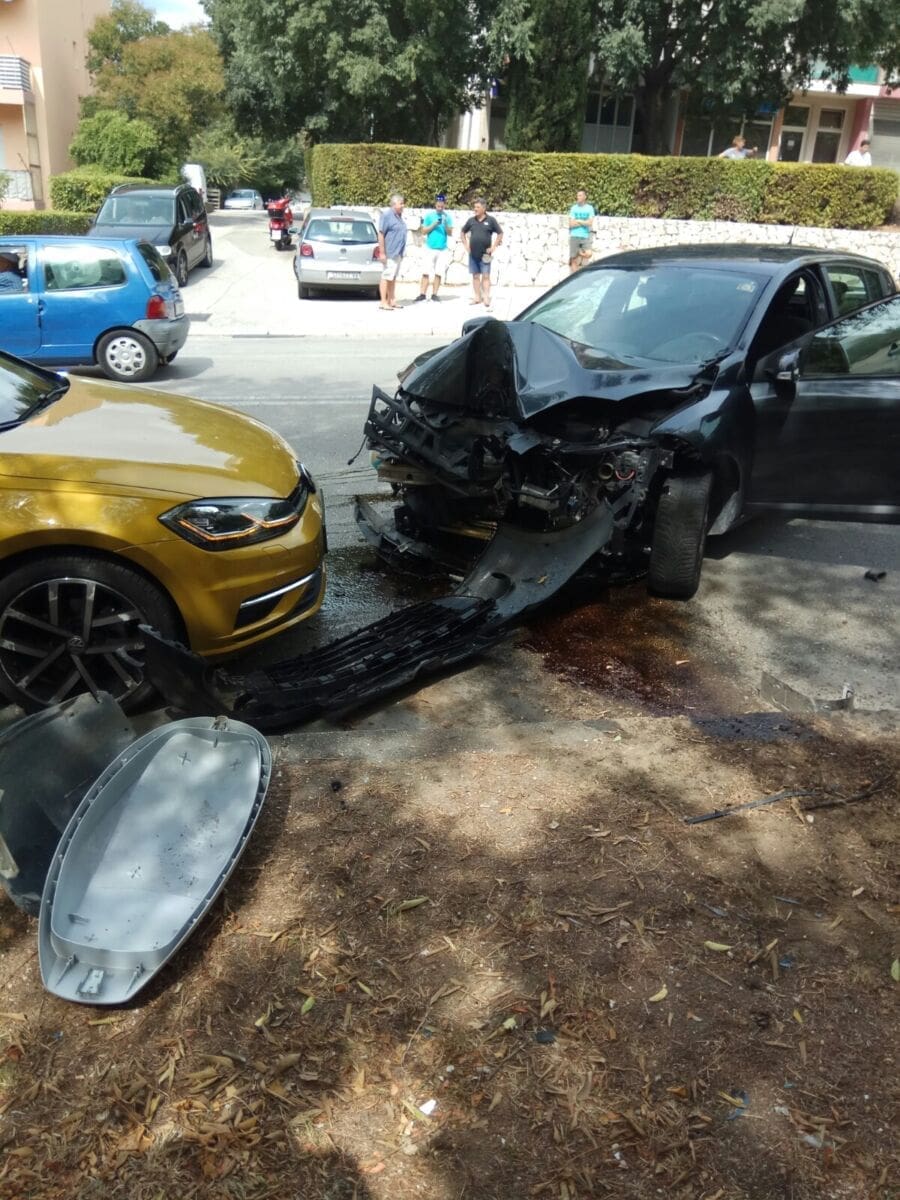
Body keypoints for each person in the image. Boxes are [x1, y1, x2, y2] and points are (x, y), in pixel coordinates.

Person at [460, 198, 503, 308]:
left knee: (486, 276)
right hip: (473, 254)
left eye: (477, 207)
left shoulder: (491, 220)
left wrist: (493, 247)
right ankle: (477, 297)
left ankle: (486, 297)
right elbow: (462, 232)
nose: (475, 209)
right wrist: (466, 245)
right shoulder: (471, 221)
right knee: (475, 276)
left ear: (484, 208)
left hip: (486, 254)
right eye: (474, 207)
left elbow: (500, 233)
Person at [415, 193, 453, 302]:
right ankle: (422, 294)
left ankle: (434, 294)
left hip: (442, 249)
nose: (440, 208)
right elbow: (423, 231)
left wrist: (445, 225)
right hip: (430, 248)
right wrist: (433, 225)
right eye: (438, 206)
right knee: (426, 271)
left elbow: (450, 233)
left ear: (444, 205)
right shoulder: (429, 216)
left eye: (442, 206)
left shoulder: (448, 217)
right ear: (435, 205)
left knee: (439, 272)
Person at [377, 193, 407, 310]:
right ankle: (383, 302)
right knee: (386, 276)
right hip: (389, 252)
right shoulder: (387, 216)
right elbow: (381, 234)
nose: (403, 206)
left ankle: (391, 300)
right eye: (401, 204)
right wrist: (382, 253)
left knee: (393, 276)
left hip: (398, 252)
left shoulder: (399, 216)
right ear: (394, 204)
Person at [568, 188, 595, 272]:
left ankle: (578, 252)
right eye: (577, 196)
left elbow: (590, 223)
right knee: (573, 260)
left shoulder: (590, 208)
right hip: (574, 235)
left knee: (589, 254)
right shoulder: (574, 208)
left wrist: (578, 221)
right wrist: (584, 222)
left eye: (580, 195)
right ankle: (574, 277)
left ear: (584, 197)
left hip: (585, 235)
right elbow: (571, 224)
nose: (578, 197)